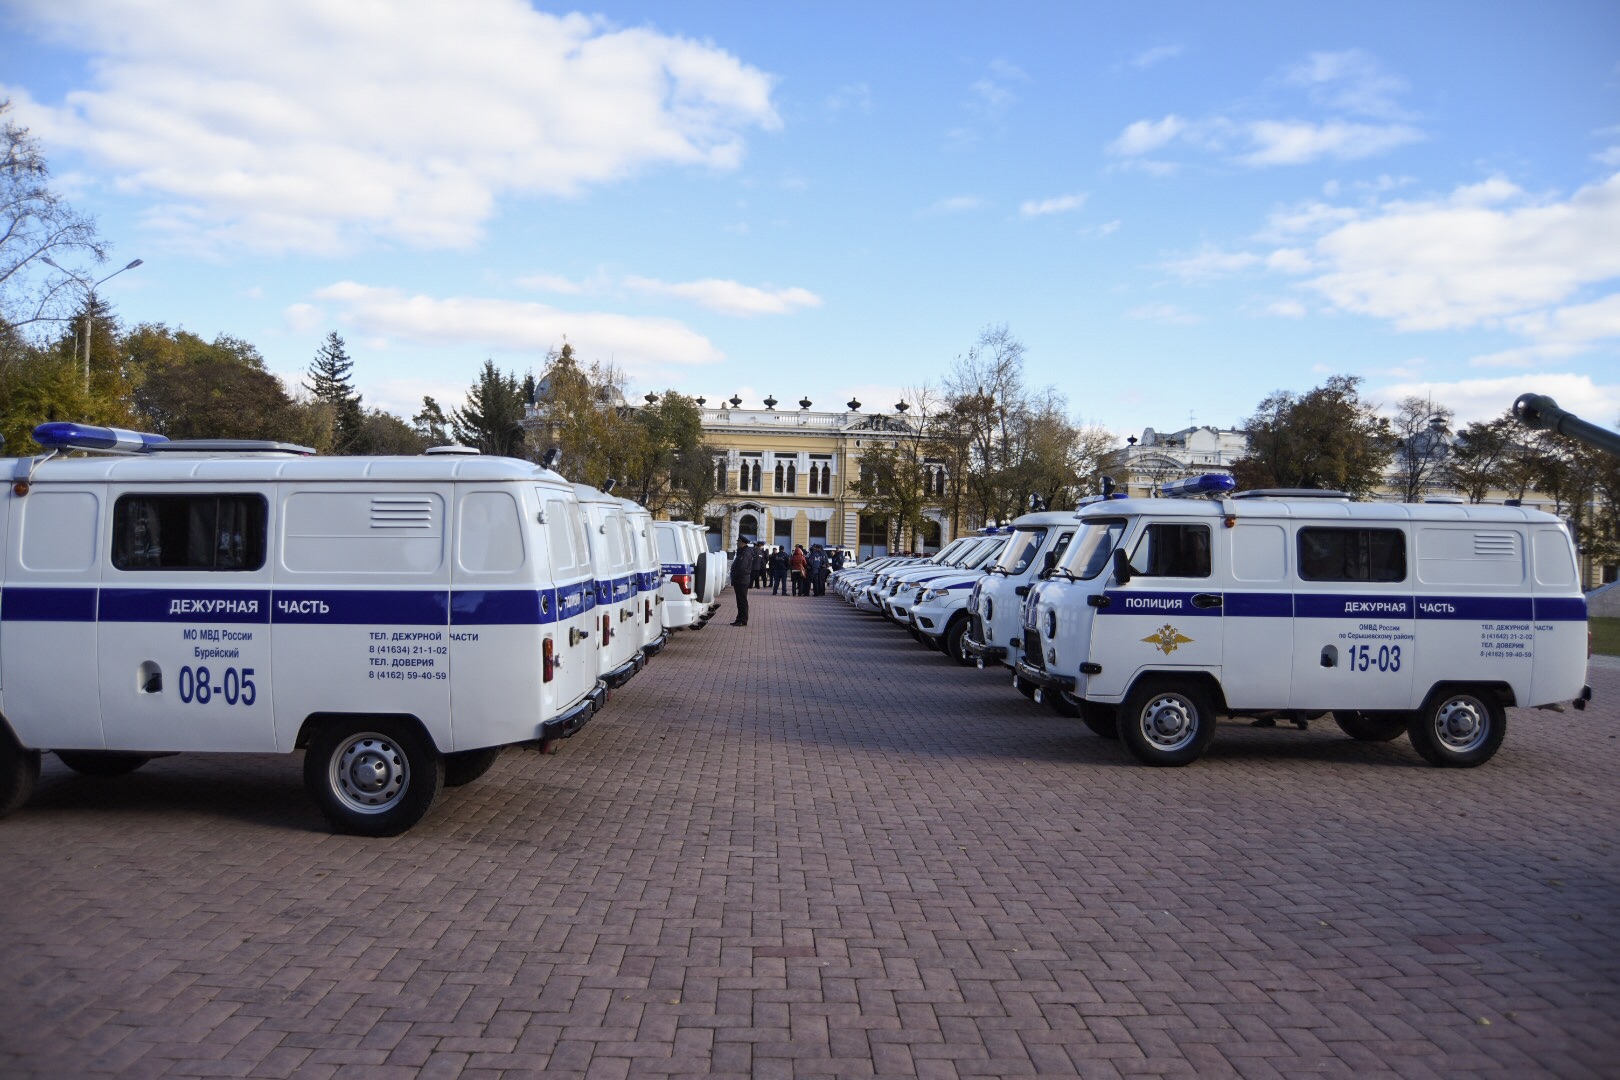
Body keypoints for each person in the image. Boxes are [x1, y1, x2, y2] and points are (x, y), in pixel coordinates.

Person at [729, 540, 760, 625]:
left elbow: (742, 568)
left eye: (738, 542)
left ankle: (742, 620)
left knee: (742, 601)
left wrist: (735, 574)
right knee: (740, 600)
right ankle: (739, 619)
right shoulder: (743, 552)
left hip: (741, 580)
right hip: (741, 579)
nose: (737, 543)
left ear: (742, 543)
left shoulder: (745, 553)